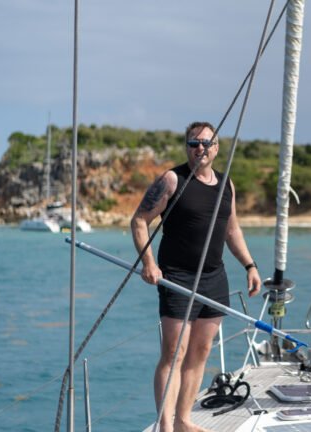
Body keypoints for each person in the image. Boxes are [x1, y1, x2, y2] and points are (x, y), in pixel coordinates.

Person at [130, 121, 261, 432]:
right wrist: (149, 263)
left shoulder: (226, 185)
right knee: (174, 354)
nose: (200, 148)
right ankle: (165, 425)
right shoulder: (172, 180)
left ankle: (183, 420)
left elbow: (232, 230)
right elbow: (139, 221)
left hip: (214, 278)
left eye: (206, 143)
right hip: (177, 277)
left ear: (216, 147)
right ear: (187, 147)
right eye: (194, 143)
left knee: (201, 352)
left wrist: (250, 266)